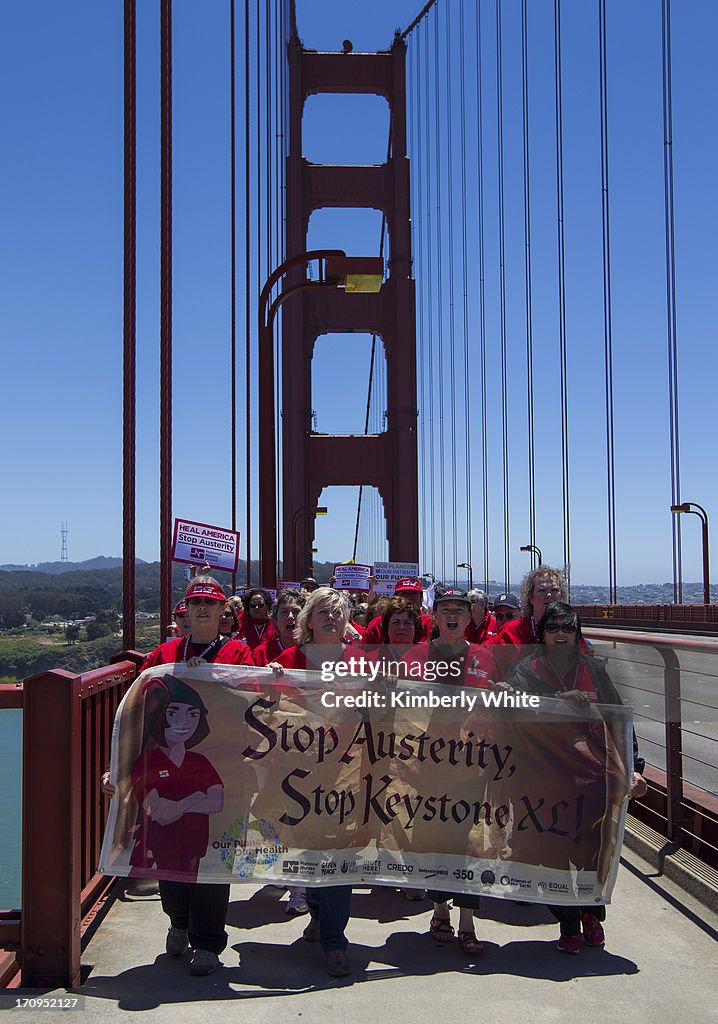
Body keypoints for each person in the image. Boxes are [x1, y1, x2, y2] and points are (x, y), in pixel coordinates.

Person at [102, 575, 253, 976]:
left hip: (223, 768)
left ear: (224, 611)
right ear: (186, 610)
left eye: (211, 602)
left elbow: (256, 701)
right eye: (196, 602)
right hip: (170, 769)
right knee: (168, 855)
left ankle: (207, 944)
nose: (203, 608)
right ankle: (177, 921)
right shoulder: (165, 654)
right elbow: (138, 713)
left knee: (215, 858)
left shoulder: (239, 652)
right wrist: (119, 766)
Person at [508, 601, 647, 954]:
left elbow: (620, 719)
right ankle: (568, 922)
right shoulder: (528, 669)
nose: (559, 634)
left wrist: (634, 768)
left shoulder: (594, 670)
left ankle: (590, 913)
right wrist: (556, 700)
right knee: (552, 853)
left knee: (590, 850)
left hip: (590, 777)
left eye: (567, 628)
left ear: (577, 633)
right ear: (542, 634)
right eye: (552, 628)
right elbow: (517, 708)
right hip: (546, 776)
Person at [270, 587, 365, 977]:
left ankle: (334, 942)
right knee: (307, 853)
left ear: (347, 623)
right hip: (299, 774)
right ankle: (318, 914)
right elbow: (260, 708)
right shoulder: (287, 661)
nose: (331, 618)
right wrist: (270, 681)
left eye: (339, 613)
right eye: (323, 611)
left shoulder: (361, 662)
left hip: (345, 773)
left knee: (338, 855)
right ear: (308, 619)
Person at [399, 588, 498, 954]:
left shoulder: (486, 658)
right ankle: (439, 909)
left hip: (472, 766)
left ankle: (468, 920)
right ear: (435, 616)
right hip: (427, 766)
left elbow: (501, 706)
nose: (453, 616)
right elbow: (399, 704)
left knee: (471, 839)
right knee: (433, 837)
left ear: (470, 615)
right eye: (445, 610)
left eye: (460, 609)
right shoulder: (416, 656)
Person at [361, 578, 433, 649]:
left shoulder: (432, 624)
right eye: (404, 594)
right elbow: (363, 654)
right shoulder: (377, 624)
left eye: (413, 594)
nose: (409, 598)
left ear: (421, 598)